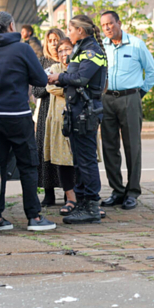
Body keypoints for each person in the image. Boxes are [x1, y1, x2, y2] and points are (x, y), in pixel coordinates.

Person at [0, 11, 56, 232]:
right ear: (10, 25)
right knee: (28, 165)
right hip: (18, 117)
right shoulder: (23, 49)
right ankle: (34, 217)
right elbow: (39, 79)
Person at [48, 15, 107, 224]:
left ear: (80, 31)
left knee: (87, 161)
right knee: (80, 161)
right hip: (77, 111)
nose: (68, 33)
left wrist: (58, 77)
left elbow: (81, 78)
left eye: (70, 29)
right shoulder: (81, 49)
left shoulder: (92, 52)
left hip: (85, 111)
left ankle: (91, 205)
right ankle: (82, 203)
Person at [98, 10, 154, 211]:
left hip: (130, 98)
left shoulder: (136, 44)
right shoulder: (101, 47)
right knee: (109, 147)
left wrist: (139, 94)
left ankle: (132, 192)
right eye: (104, 25)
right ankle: (117, 190)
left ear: (119, 23)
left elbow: (152, 71)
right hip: (106, 99)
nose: (107, 28)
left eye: (110, 24)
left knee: (132, 146)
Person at [33, 28, 68, 206]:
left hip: (63, 111)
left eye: (57, 40)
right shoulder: (41, 62)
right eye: (50, 40)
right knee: (45, 151)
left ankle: (68, 192)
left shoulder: (68, 61)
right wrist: (52, 84)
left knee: (64, 151)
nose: (54, 43)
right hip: (46, 111)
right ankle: (49, 193)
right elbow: (36, 90)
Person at [44, 39, 78, 215]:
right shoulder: (55, 68)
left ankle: (84, 197)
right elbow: (50, 86)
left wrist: (64, 84)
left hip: (80, 119)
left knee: (81, 160)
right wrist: (74, 88)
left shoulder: (81, 66)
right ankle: (70, 196)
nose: (65, 53)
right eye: (61, 50)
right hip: (60, 120)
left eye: (68, 49)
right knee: (63, 161)